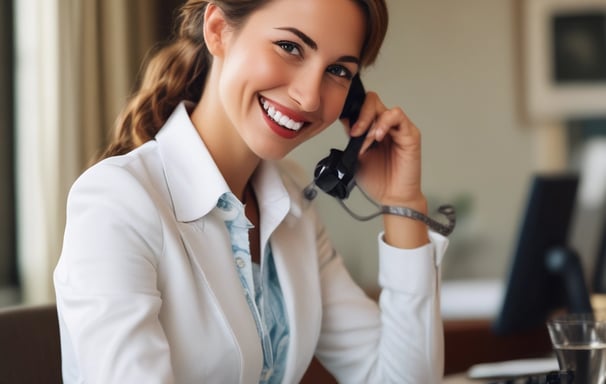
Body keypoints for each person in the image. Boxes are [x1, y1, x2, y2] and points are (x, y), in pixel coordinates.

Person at [54, 0, 449, 383]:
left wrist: (403, 204)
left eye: (338, 71)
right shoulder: (116, 202)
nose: (310, 96)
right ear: (218, 30)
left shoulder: (292, 201)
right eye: (290, 47)